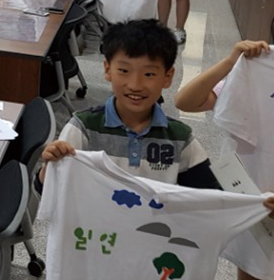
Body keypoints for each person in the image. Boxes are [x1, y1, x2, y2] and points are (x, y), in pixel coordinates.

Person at [38, 19, 220, 189]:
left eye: (149, 74)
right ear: (107, 70)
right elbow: (49, 188)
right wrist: (49, 165)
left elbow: (210, 197)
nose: (135, 85)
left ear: (167, 77)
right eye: (124, 71)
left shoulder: (180, 139)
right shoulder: (83, 128)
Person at [174, 40, 273, 280]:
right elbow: (185, 101)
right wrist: (231, 63)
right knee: (258, 272)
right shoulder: (259, 69)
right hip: (258, 198)